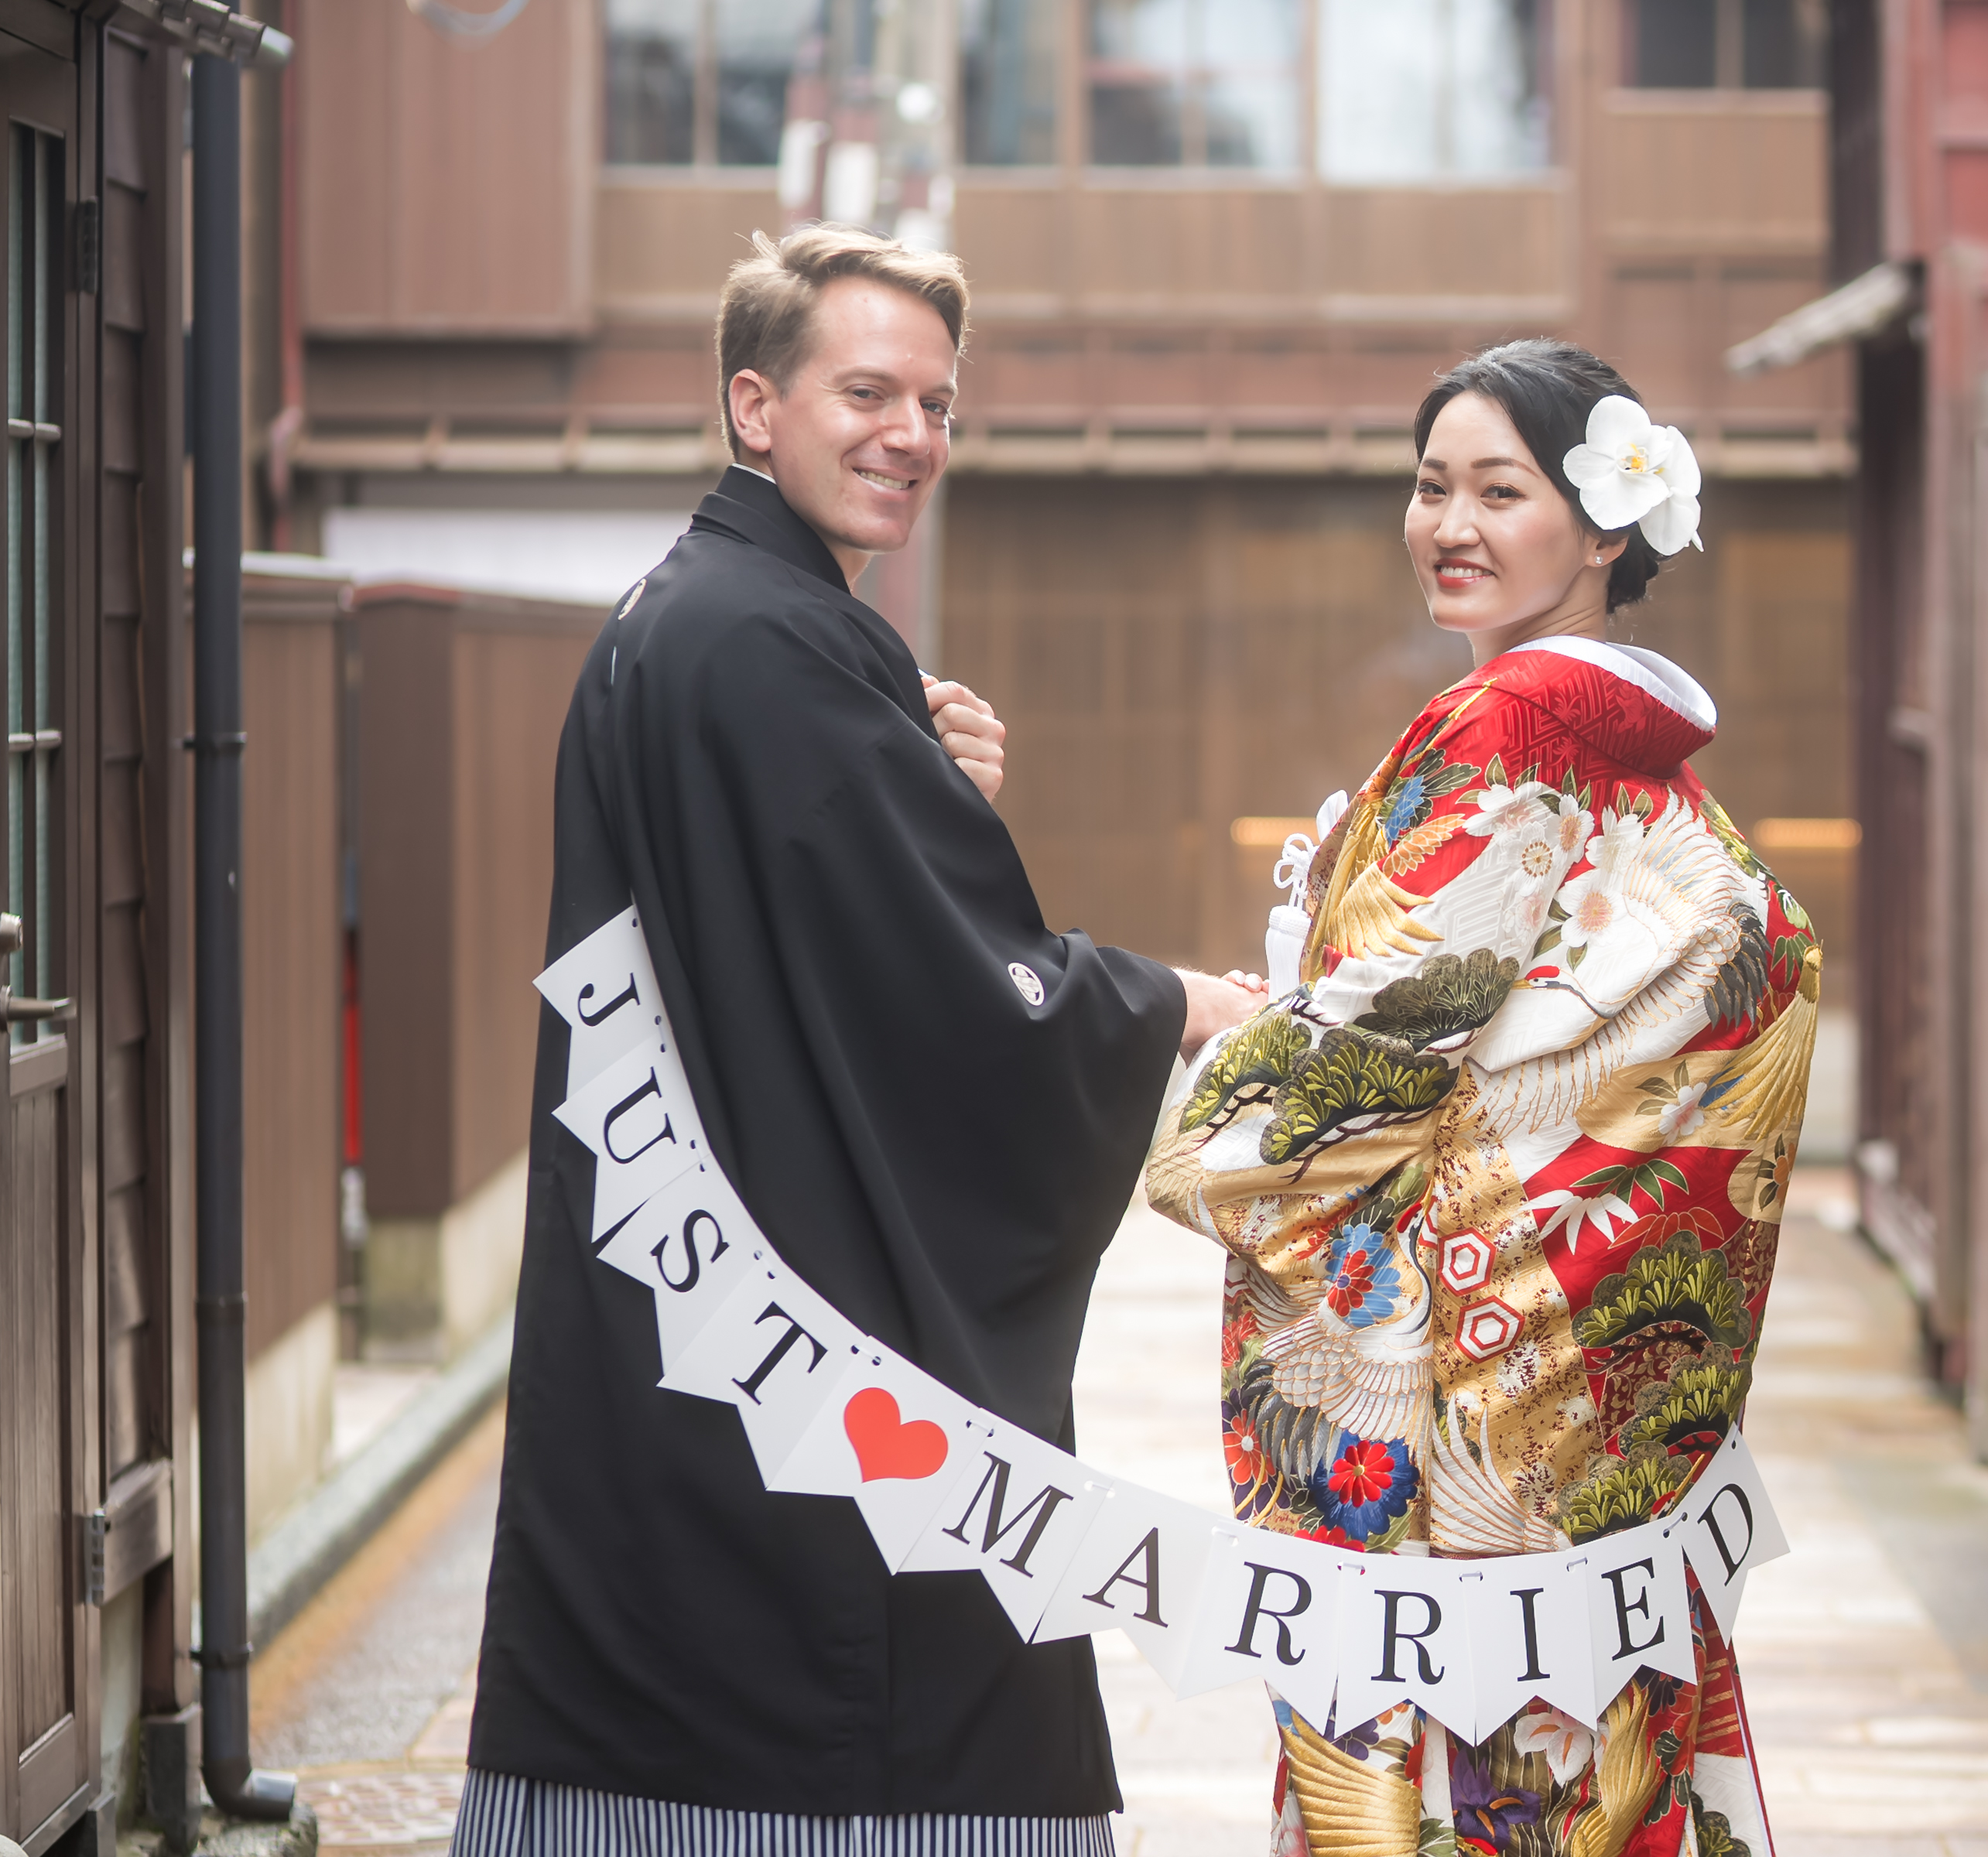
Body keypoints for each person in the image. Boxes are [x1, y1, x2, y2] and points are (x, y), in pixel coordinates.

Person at [455, 224, 1262, 1856]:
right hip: (795, 1299)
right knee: (871, 1652)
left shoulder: (705, 616)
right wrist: (1174, 1005)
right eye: (869, 393)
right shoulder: (770, 638)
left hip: (689, 1276)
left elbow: (808, 924)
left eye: (939, 406)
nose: (911, 437)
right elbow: (945, 999)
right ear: (757, 407)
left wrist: (918, 785)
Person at [1147, 339, 1819, 1856]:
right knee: (1589, 1779)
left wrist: (1180, 1042)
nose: (1448, 520)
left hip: (1466, 1445)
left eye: (1499, 490)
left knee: (1456, 1785)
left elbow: (1365, 1069)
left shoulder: (1505, 732)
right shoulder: (1647, 762)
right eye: (1431, 483)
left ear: (1602, 528)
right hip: (1593, 1415)